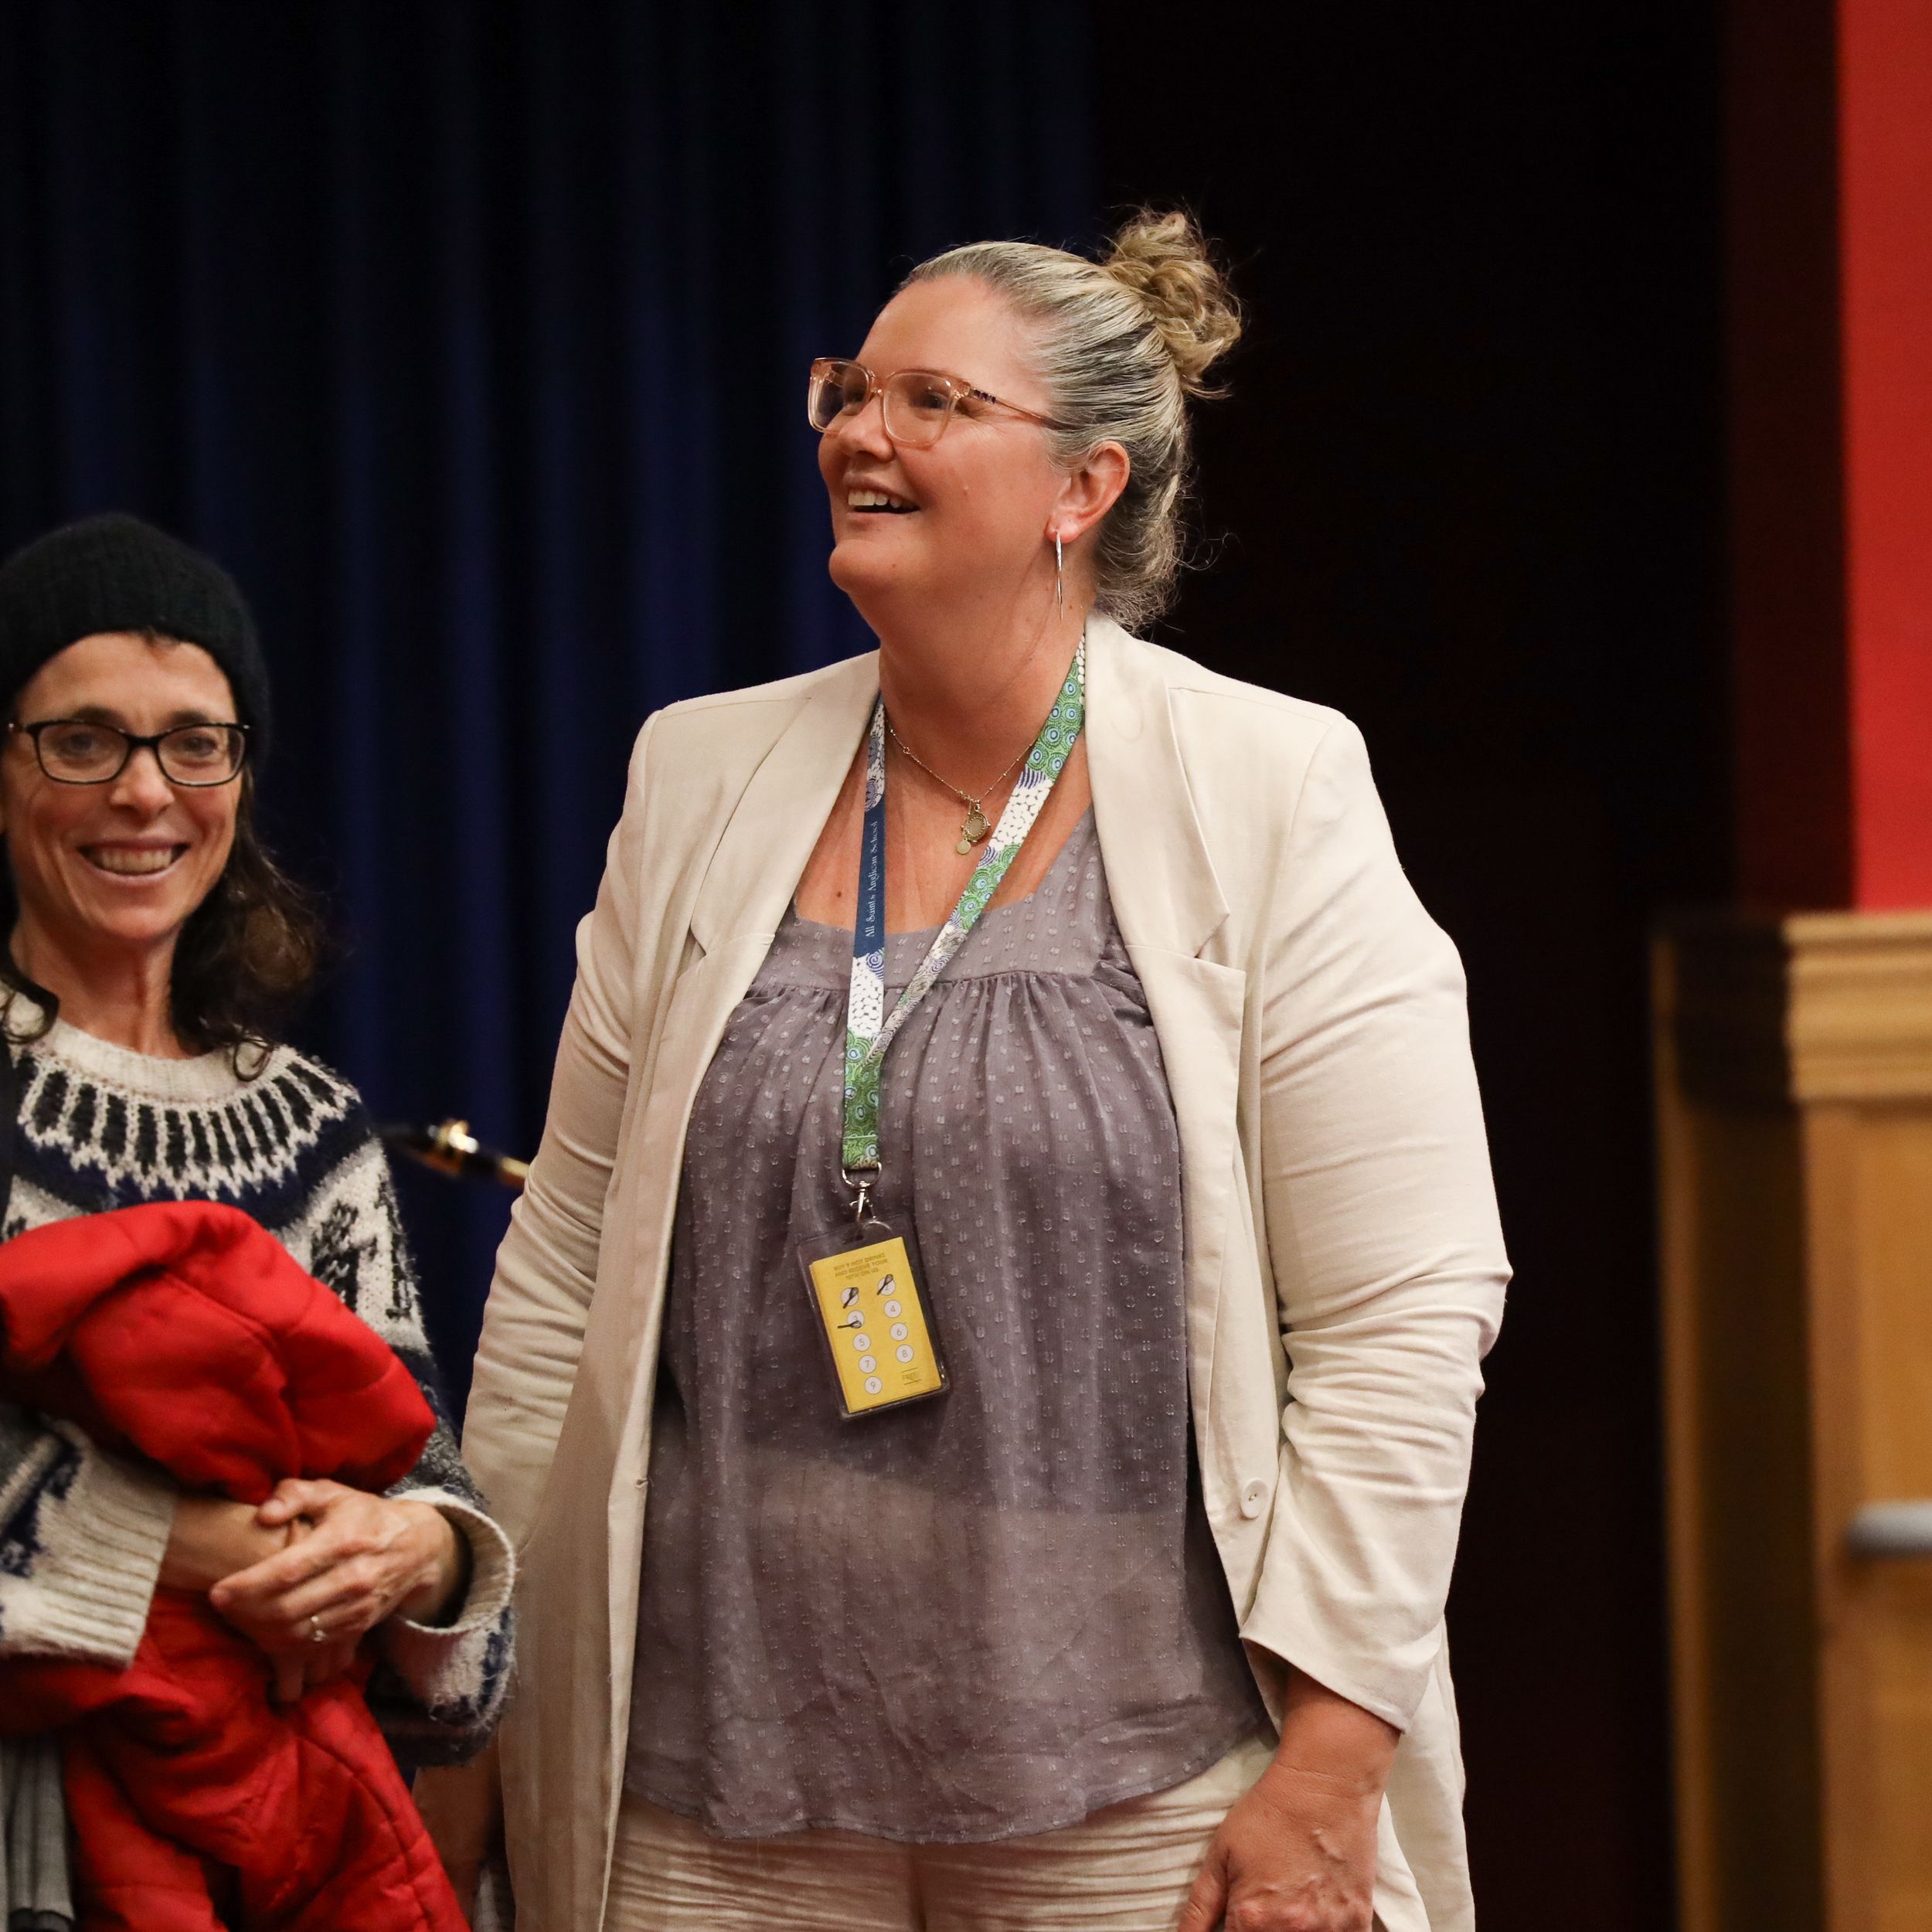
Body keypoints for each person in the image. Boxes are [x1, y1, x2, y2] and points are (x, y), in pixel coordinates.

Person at [432, 211, 1509, 1932]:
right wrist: (475, 1688)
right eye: (849, 392)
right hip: (711, 1803)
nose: (860, 434)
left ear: (1083, 485)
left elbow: (1402, 1312)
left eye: (931, 401)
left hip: (1147, 1793)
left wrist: (1328, 1764)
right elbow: (563, 1268)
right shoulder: (697, 773)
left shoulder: (1272, 783)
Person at [0, 513, 515, 1929]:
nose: (144, 792)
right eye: (82, 741)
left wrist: (422, 1558)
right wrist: (184, 1551)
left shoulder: (311, 1126)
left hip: (275, 1857)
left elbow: (444, 1551)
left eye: (195, 743)